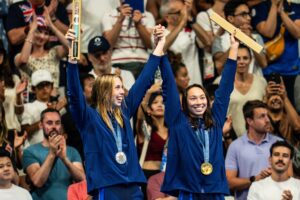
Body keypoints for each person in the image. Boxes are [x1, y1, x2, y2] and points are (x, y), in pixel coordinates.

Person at [66, 25, 166, 199]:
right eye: (117, 88)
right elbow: (74, 94)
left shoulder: (124, 112)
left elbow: (143, 82)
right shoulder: (88, 117)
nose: (122, 92)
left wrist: (159, 46)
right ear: (104, 91)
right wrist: (73, 55)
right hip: (107, 187)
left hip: (134, 187)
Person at [160, 30, 239, 198]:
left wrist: (234, 48)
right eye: (193, 98)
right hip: (189, 191)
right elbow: (168, 85)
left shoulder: (216, 120)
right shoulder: (177, 121)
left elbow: (225, 88)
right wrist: (161, 47)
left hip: (214, 191)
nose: (199, 102)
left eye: (202, 97)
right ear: (185, 103)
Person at [22, 108, 85, 200]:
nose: (54, 126)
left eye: (57, 123)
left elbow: (82, 179)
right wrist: (52, 154)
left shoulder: (72, 151)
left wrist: (64, 159)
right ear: (41, 125)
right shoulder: (30, 151)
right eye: (49, 123)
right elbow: (37, 181)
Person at [225, 100, 282, 200]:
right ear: (249, 121)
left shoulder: (280, 144)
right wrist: (255, 179)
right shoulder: (235, 146)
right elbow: (229, 183)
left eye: (267, 115)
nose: (267, 120)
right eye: (262, 116)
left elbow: (292, 178)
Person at [251, 0, 300, 106]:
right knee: (271, 107)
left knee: (292, 107)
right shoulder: (261, 7)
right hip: (269, 70)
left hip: (292, 70)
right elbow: (268, 32)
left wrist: (282, 12)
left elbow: (297, 33)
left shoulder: (296, 7)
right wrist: (273, 6)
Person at [225, 44, 267, 137]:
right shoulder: (222, 82)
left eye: (245, 58)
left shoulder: (261, 82)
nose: (241, 62)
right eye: (238, 58)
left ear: (251, 60)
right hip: (230, 138)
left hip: (258, 136)